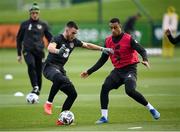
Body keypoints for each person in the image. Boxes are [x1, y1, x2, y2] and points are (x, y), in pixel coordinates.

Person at [81, 18, 160, 124]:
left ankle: (151, 108)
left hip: (130, 70)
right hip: (117, 71)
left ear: (120, 27)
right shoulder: (108, 41)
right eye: (111, 28)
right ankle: (104, 117)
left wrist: (145, 60)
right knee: (105, 87)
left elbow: (142, 50)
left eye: (115, 27)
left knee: (130, 91)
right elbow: (102, 60)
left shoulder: (128, 38)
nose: (113, 30)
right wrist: (89, 71)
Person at [43, 21, 113, 125]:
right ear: (67, 30)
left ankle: (61, 120)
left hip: (60, 69)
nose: (74, 35)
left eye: (76, 33)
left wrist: (102, 49)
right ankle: (48, 104)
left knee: (73, 94)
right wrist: (58, 51)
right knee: (59, 78)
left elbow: (87, 45)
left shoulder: (73, 41)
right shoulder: (57, 38)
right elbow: (50, 47)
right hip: (49, 67)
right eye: (73, 33)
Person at [16, 3, 52, 96]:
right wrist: (19, 54)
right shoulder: (24, 24)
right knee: (31, 65)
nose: (34, 15)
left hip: (40, 51)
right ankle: (35, 86)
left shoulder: (43, 24)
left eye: (36, 13)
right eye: (33, 13)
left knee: (39, 72)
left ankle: (37, 91)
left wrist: (54, 48)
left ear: (39, 13)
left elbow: (49, 38)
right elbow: (19, 39)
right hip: (28, 50)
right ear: (30, 14)